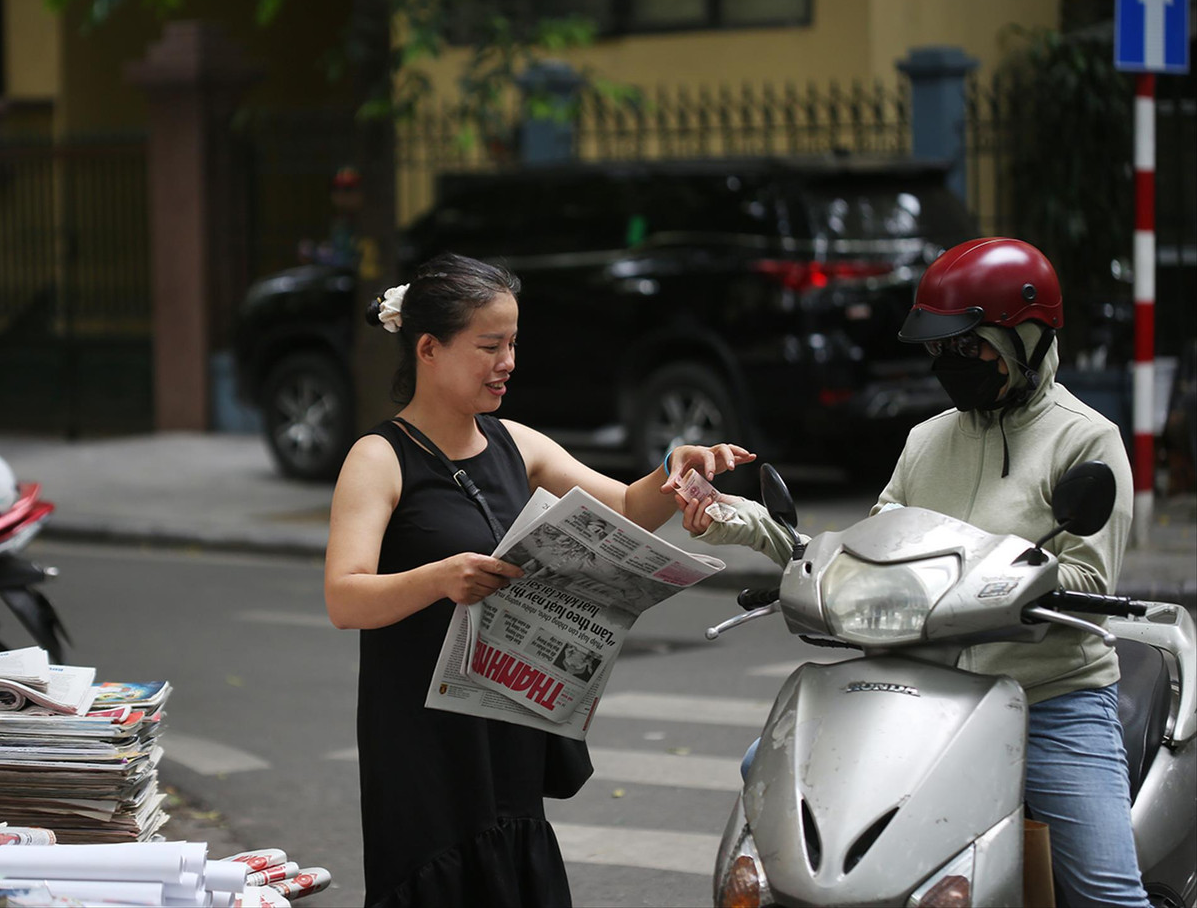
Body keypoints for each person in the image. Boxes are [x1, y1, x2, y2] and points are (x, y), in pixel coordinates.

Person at [678, 237, 1148, 907]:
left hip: (1048, 700)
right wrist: (739, 519)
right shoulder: (927, 440)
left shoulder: (1086, 439)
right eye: (940, 349)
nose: (953, 364)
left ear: (1026, 337)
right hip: (924, 694)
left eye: (969, 346)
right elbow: (868, 554)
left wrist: (1009, 585)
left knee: (1107, 894)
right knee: (771, 776)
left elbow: (1088, 582)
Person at [324, 252, 754, 908]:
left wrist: (679, 472)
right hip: (424, 739)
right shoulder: (378, 458)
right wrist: (440, 578)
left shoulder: (518, 444)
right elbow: (344, 595)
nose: (508, 363)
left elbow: (631, 507)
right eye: (490, 345)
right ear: (429, 349)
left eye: (513, 344)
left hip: (509, 722)